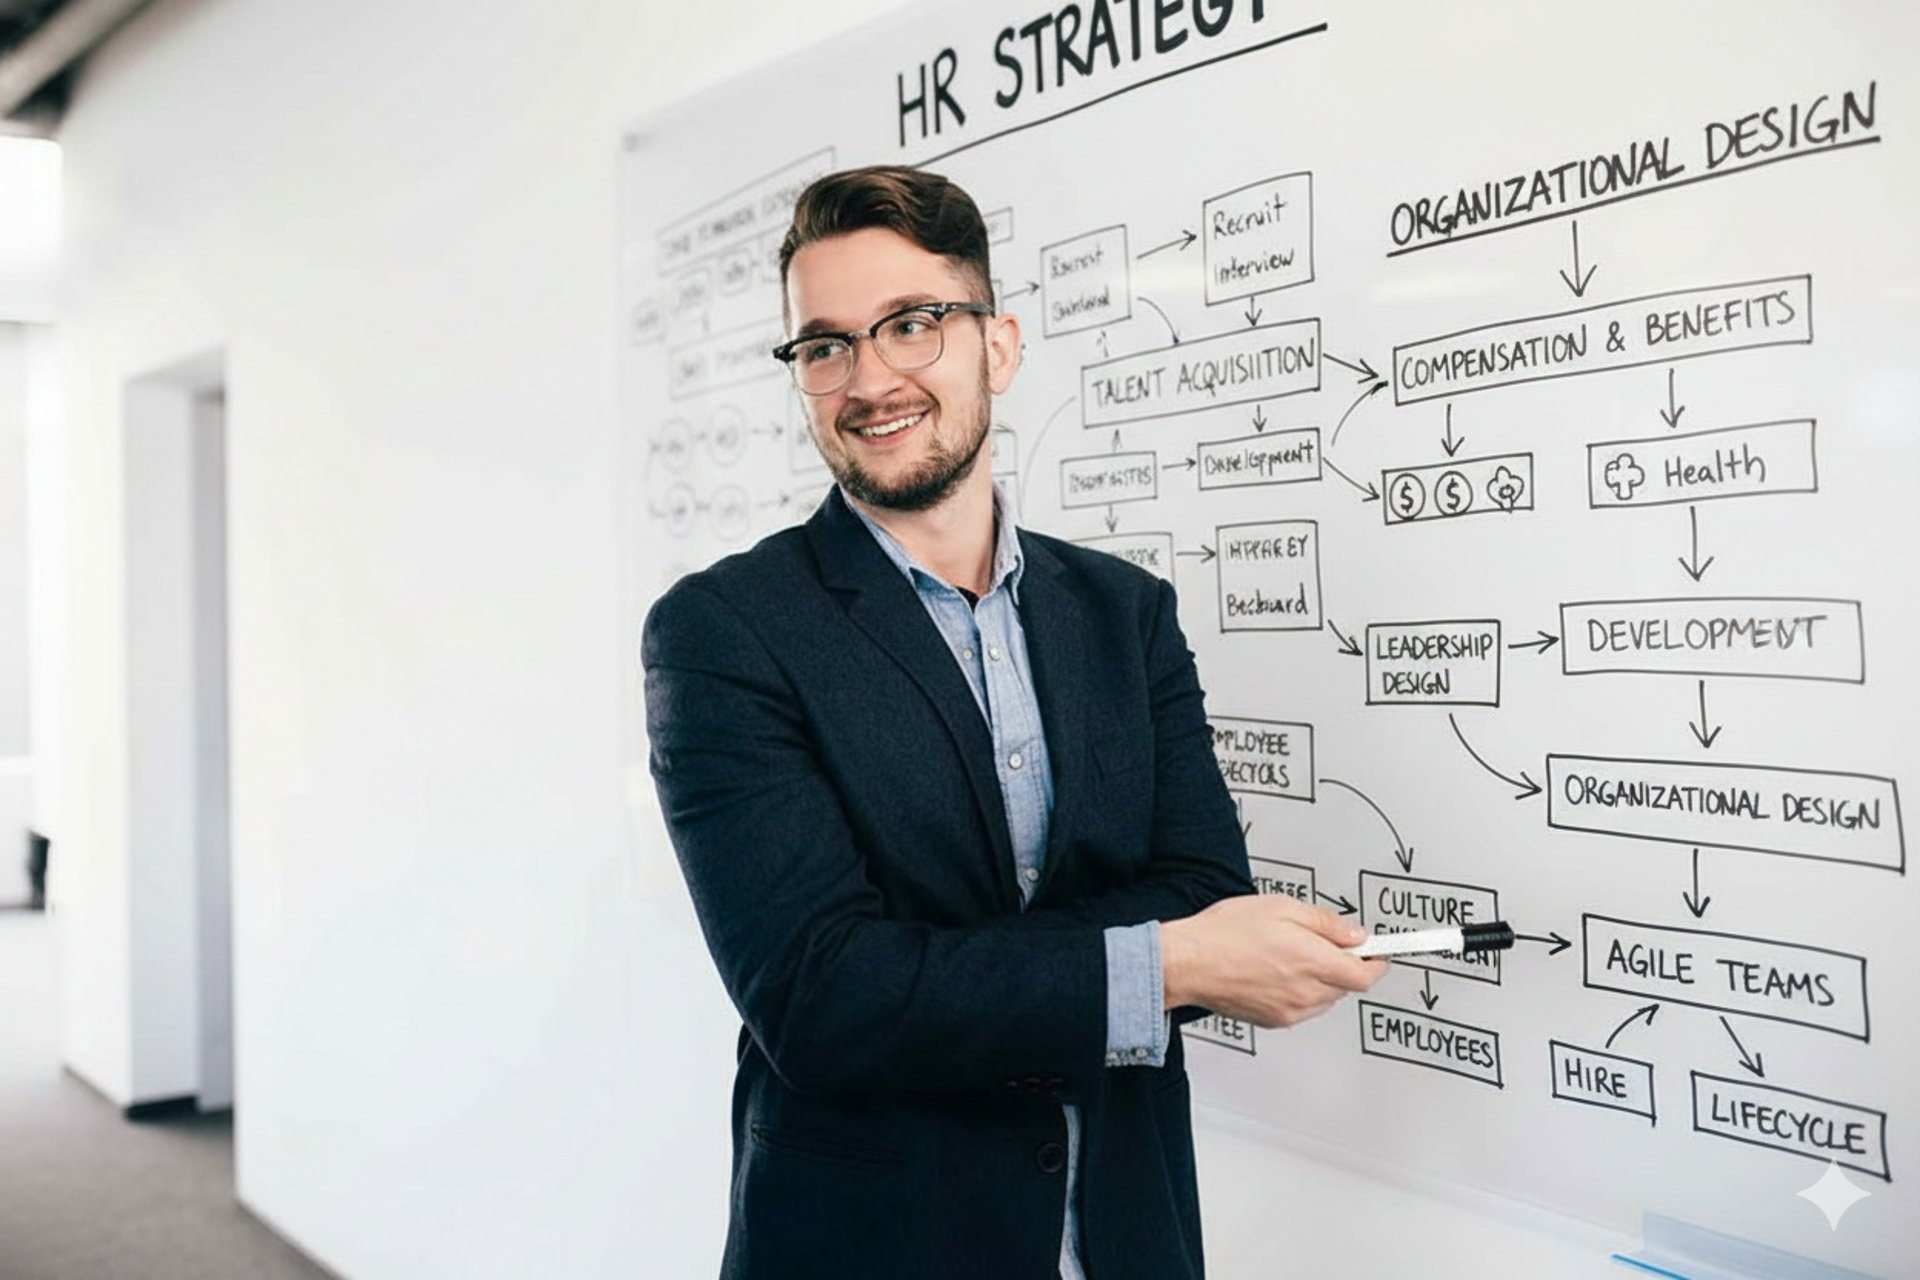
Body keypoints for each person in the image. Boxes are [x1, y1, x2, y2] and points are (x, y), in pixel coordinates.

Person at [642, 165, 1388, 1280]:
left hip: (1127, 1233)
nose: (869, 379)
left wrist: (938, 971)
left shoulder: (1126, 613)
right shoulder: (725, 631)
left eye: (912, 324)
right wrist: (1166, 961)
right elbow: (823, 998)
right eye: (826, 345)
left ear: (998, 346)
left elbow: (1202, 882)